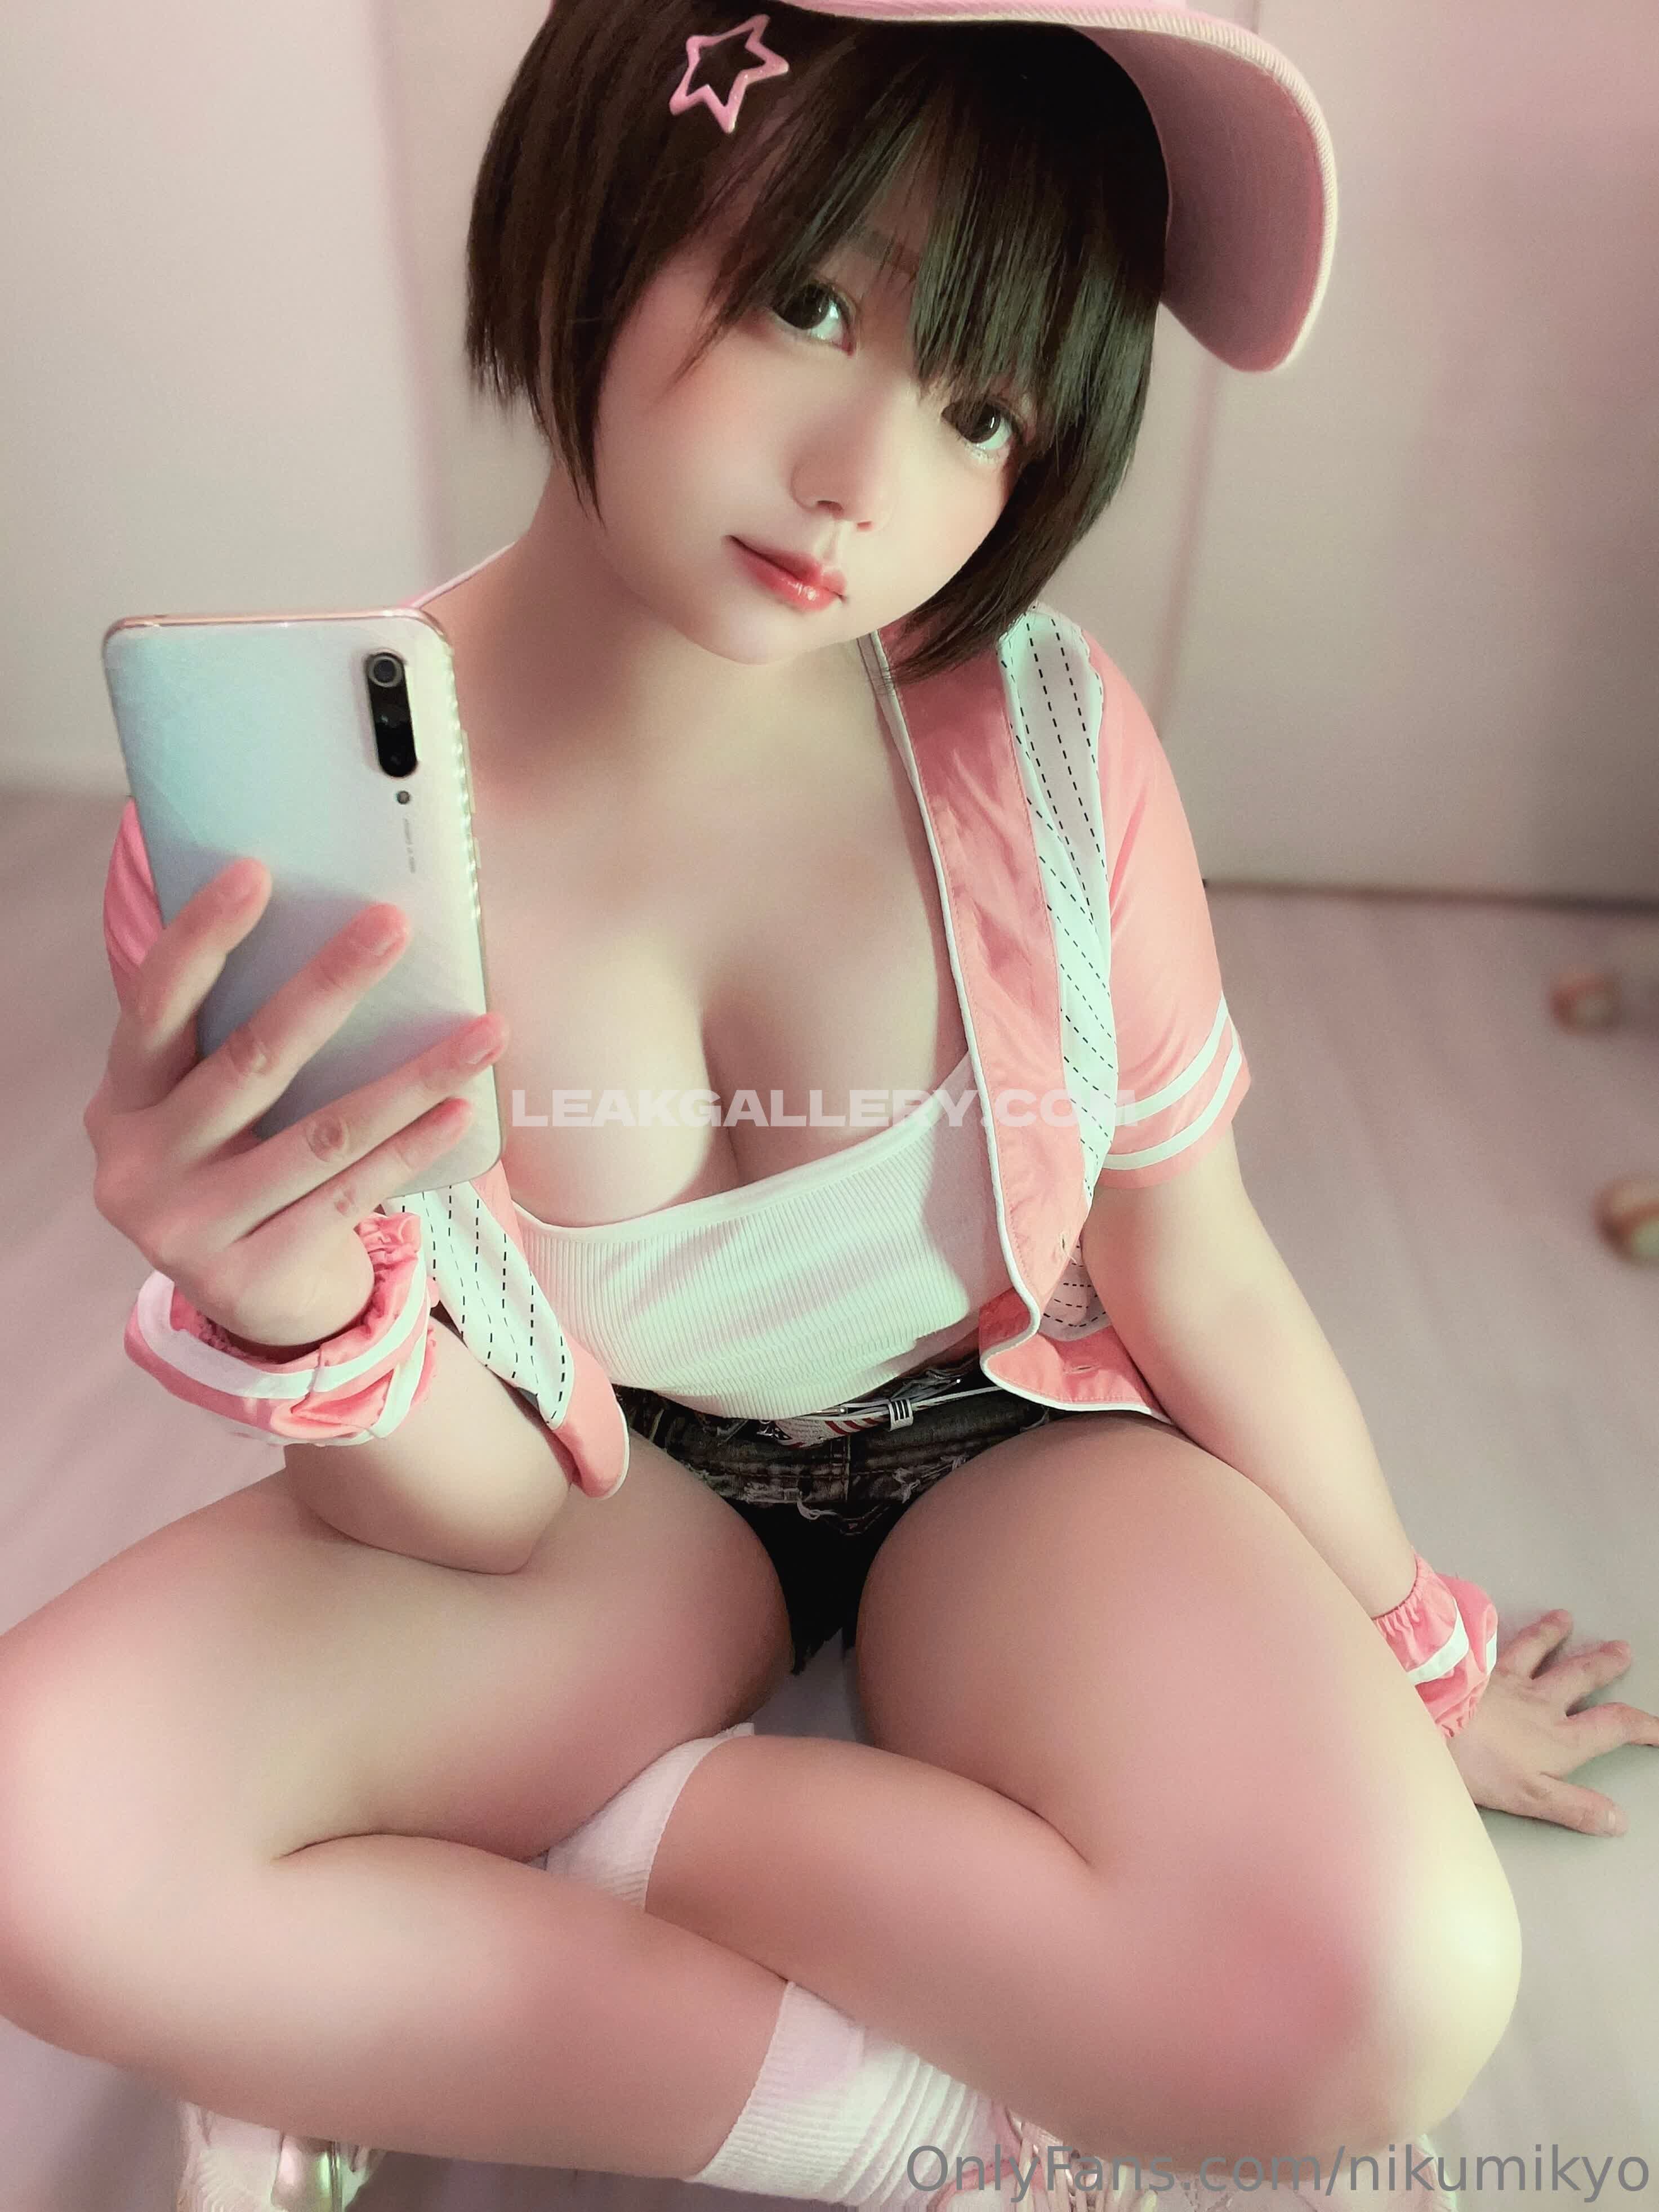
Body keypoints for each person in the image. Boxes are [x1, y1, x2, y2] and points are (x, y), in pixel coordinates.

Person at [1, 5, 1652, 2210]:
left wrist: (1418, 1648)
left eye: (982, 409)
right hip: (594, 1501)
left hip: (1009, 1446)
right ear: (604, 191)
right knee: (41, 1835)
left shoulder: (1043, 740)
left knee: (1391, 1990)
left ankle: (535, 1876)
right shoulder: (291, 854)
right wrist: (290, 1303)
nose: (871, 479)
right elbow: (470, 1511)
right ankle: (909, 2132)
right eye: (808, 301)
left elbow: (1193, 1262)